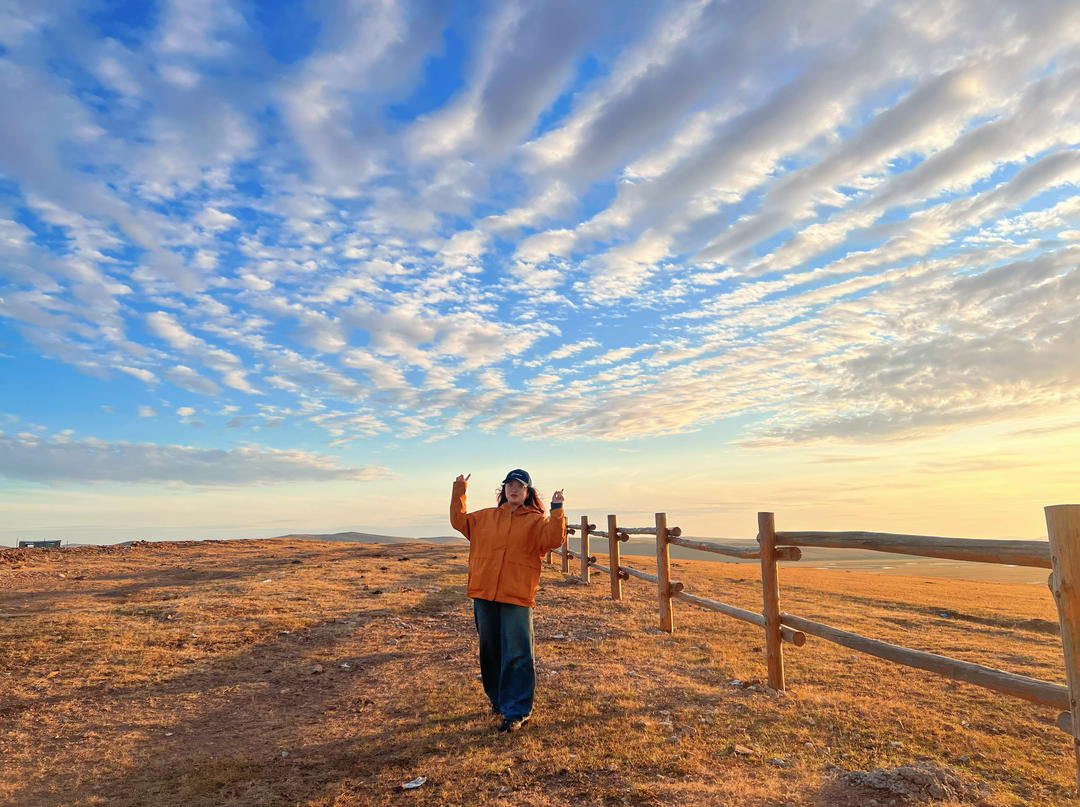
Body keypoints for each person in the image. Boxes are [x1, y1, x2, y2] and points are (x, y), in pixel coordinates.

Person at [450, 469, 566, 732]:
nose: (513, 489)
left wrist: (557, 509)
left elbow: (553, 539)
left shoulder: (536, 521)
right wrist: (459, 490)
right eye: (509, 485)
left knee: (517, 653)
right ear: (503, 490)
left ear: (527, 492)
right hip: (484, 593)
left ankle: (517, 711)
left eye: (519, 486)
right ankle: (498, 700)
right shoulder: (485, 517)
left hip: (517, 595)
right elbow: (458, 520)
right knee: (490, 650)